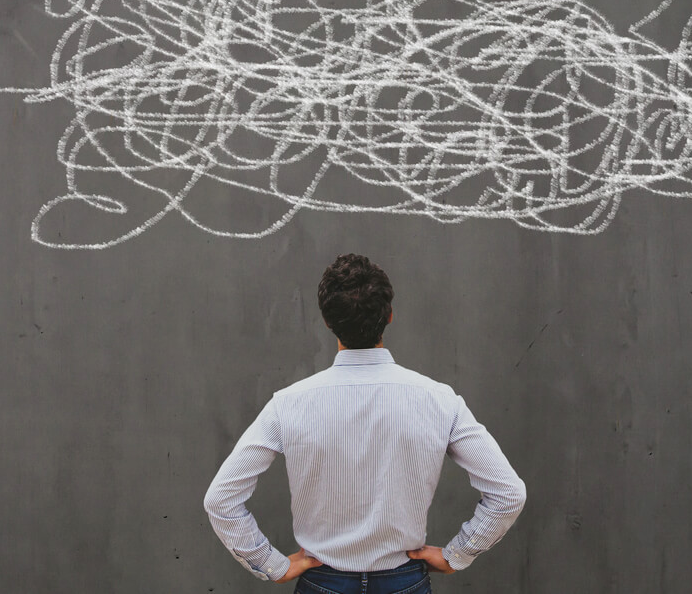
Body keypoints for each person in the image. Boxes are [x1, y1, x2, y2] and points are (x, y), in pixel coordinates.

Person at [203, 254, 526, 593]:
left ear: (327, 321)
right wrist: (456, 554)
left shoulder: (289, 403)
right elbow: (508, 493)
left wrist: (272, 564)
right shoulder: (439, 399)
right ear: (389, 315)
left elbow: (220, 500)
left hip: (322, 582)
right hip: (405, 581)